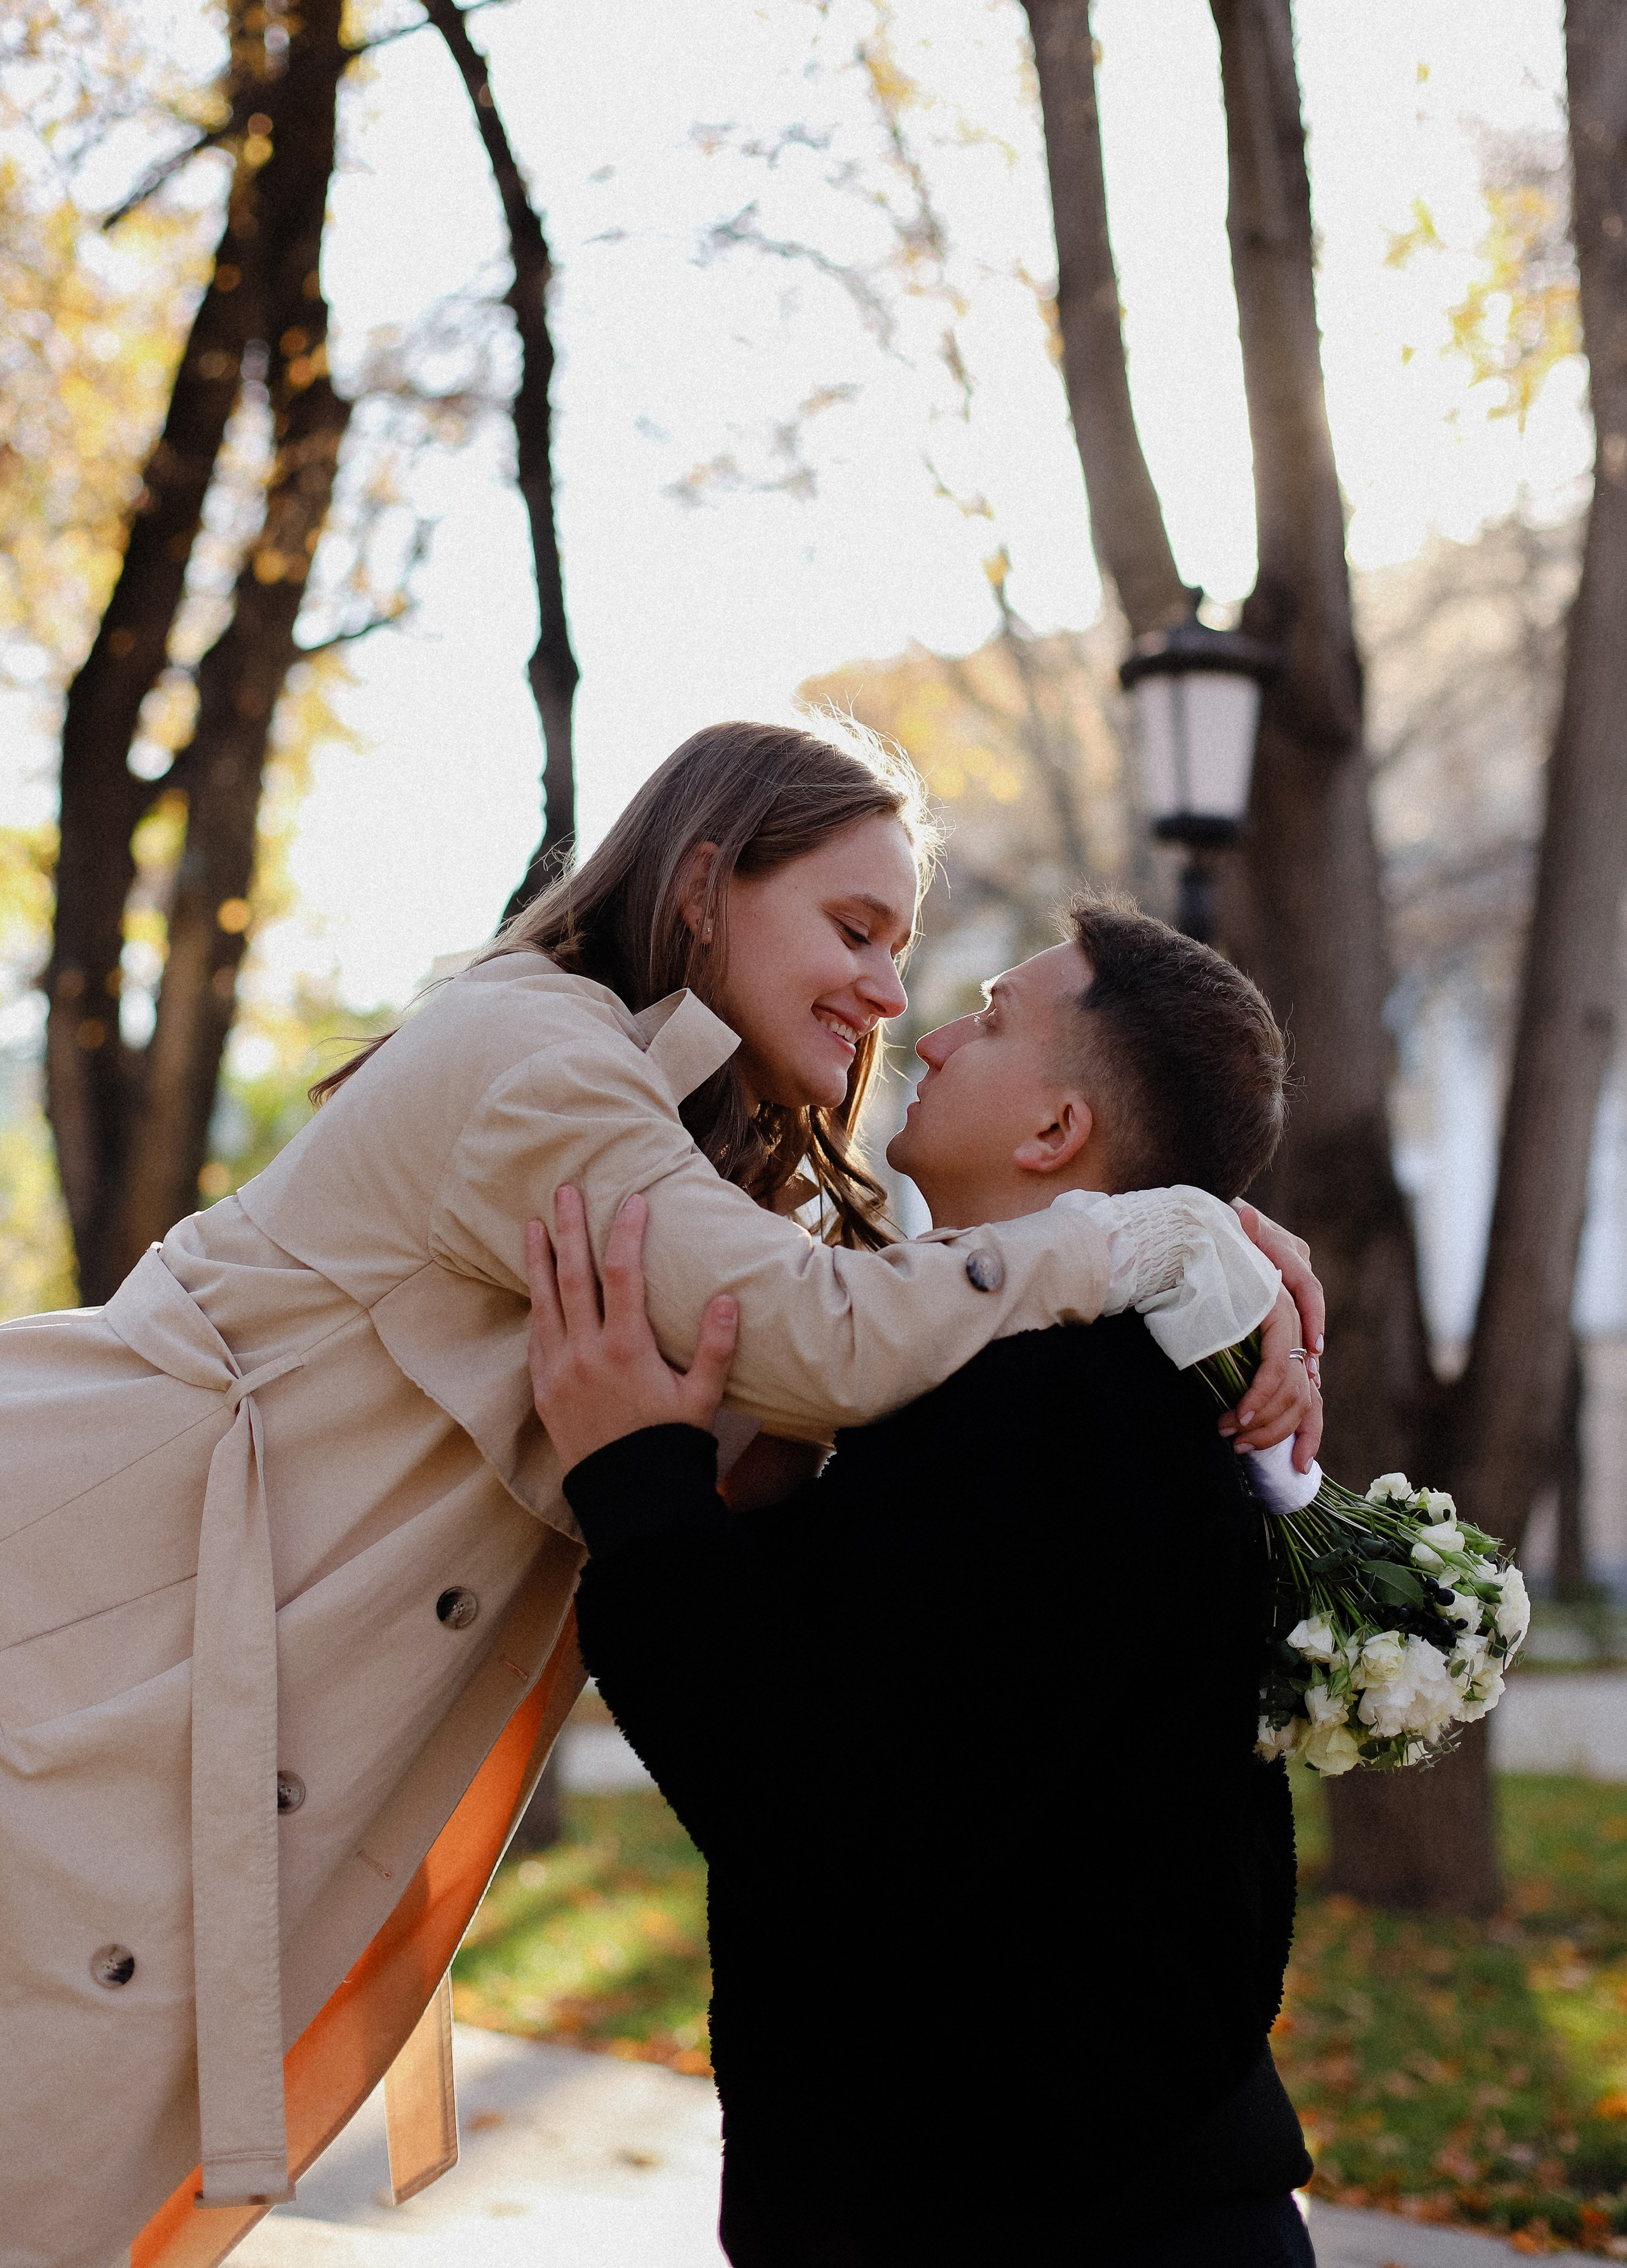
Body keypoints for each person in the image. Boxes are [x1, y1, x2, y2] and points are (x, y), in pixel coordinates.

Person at [0, 722, 1319, 2268]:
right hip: (100, 1617)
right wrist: (1159, 1233)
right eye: (855, 930)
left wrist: (1194, 1237)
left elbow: (825, 1469)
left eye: (920, 963)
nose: (898, 1003)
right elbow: (825, 1347)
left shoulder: (771, 1217)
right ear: (701, 888)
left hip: (1035, 2190)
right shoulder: (538, 1064)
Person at [528, 898, 1322, 2267]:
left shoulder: (1055, 1411)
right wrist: (766, 1499)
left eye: (994, 1015)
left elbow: (821, 1816)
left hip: (1049, 2217)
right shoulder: (1059, 1382)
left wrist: (636, 1487)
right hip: (1072, 2189)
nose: (928, 1028)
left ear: (1053, 1135)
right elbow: (943, 1750)